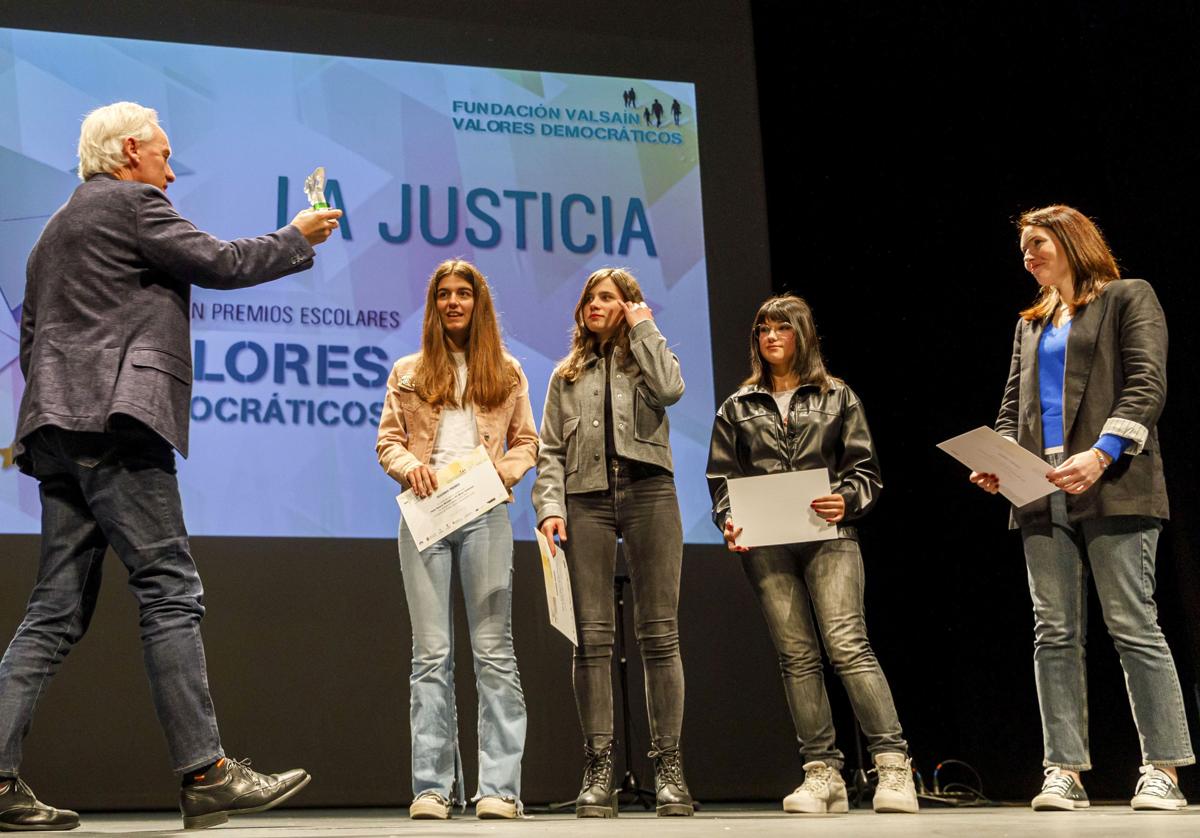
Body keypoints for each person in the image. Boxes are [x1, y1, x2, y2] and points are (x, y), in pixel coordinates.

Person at [0, 101, 341, 832]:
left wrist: (63, 415)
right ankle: (207, 773)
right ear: (128, 152)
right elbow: (221, 262)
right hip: (118, 425)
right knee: (171, 590)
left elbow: (31, 339)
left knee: (53, 612)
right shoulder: (132, 204)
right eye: (163, 153)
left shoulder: (52, 232)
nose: (171, 168)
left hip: (56, 428)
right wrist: (296, 235)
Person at [971, 204, 1193, 811]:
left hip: (1112, 480)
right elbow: (1014, 400)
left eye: (1038, 243)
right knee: (1054, 632)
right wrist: (998, 458)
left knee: (1131, 624)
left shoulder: (1126, 297)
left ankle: (1163, 769)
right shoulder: (1031, 322)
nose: (1028, 256)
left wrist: (1101, 452)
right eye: (1023, 249)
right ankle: (1063, 769)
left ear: (1071, 241)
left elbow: (1147, 383)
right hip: (1041, 489)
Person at [706, 294, 919, 816]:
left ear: (803, 335)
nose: (771, 337)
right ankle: (822, 772)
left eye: (782, 328)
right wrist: (728, 520)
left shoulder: (837, 395)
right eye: (763, 330)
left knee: (848, 644)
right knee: (796, 657)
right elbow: (721, 480)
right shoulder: (738, 405)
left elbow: (865, 470)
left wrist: (845, 498)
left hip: (830, 536)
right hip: (767, 543)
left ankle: (893, 764)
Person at [376, 259, 538, 820]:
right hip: (426, 513)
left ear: (478, 303)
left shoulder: (508, 371)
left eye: (462, 293)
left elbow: (526, 444)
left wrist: (503, 475)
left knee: (493, 652)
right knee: (431, 655)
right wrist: (407, 469)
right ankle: (432, 786)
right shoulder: (408, 370)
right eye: (443, 294)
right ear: (433, 305)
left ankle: (499, 789)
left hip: (484, 512)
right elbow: (388, 441)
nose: (452, 302)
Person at [533, 268, 693, 817]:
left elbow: (672, 389)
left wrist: (644, 326)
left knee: (659, 634)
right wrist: (550, 508)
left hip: (649, 491)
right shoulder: (566, 374)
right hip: (587, 500)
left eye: (609, 297)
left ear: (629, 306)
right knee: (592, 638)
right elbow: (549, 451)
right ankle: (599, 767)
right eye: (590, 298)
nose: (596, 305)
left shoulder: (645, 359)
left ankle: (668, 768)